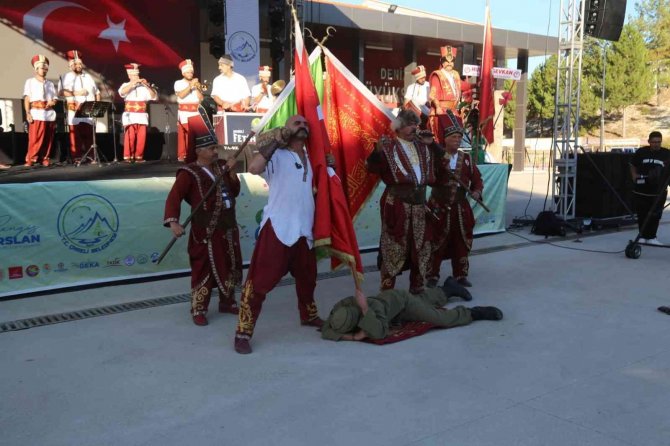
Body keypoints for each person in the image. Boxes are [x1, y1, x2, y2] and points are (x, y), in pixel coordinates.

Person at [234, 115, 325, 354]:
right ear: (286, 128)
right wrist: (277, 138)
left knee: (308, 278)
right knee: (259, 283)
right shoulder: (277, 156)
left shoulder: (313, 158)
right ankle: (243, 331)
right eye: (297, 123)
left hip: (304, 229)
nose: (303, 126)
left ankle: (308, 315)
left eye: (306, 124)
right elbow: (254, 168)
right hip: (278, 227)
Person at [164, 112, 242, 326]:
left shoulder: (221, 167)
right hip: (205, 232)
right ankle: (199, 308)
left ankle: (227, 302)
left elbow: (233, 192)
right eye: (211, 148)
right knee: (203, 268)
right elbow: (174, 197)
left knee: (230, 264)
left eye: (216, 148)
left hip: (227, 228)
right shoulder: (188, 172)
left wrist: (232, 173)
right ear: (198, 151)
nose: (215, 151)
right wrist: (173, 222)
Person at [366, 109, 442, 294]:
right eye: (409, 124)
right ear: (398, 128)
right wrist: (377, 151)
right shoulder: (388, 146)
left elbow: (442, 164)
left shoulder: (423, 146)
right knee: (394, 244)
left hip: (419, 206)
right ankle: (387, 291)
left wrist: (433, 145)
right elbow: (371, 167)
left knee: (421, 245)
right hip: (397, 204)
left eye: (415, 124)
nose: (413, 128)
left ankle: (417, 288)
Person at [321, 278, 502, 342]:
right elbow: (326, 330)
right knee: (424, 300)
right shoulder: (340, 311)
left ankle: (474, 312)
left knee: (439, 318)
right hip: (395, 308)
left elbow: (380, 332)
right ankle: (448, 288)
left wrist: (365, 310)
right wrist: (353, 336)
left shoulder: (373, 309)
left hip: (401, 301)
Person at [426, 110, 483, 288]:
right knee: (435, 241)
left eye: (459, 138)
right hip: (439, 205)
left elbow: (477, 180)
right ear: (445, 139)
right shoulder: (436, 157)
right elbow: (429, 179)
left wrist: (477, 192)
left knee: (461, 242)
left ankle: (460, 275)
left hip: (460, 207)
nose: (457, 140)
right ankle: (432, 275)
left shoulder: (466, 159)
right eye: (453, 138)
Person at [59, 50, 100, 164]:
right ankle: (76, 157)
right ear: (70, 65)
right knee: (75, 137)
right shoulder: (65, 77)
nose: (78, 66)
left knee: (89, 136)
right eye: (76, 64)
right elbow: (61, 92)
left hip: (89, 109)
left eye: (80, 64)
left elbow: (97, 92)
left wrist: (97, 106)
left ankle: (91, 157)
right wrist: (76, 93)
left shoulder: (89, 77)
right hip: (74, 109)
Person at [630, 131, 670, 245]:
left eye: (658, 142)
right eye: (654, 142)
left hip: (658, 191)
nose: (656, 144)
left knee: (655, 214)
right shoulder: (641, 152)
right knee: (642, 213)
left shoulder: (667, 153)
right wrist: (634, 175)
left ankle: (652, 237)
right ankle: (642, 236)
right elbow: (632, 164)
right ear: (649, 142)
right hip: (642, 190)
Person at [118, 63, 157, 163]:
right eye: (134, 75)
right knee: (130, 137)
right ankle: (128, 157)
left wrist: (147, 85)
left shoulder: (144, 87)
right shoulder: (125, 85)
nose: (137, 77)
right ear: (129, 76)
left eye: (137, 75)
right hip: (130, 115)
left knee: (141, 138)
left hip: (142, 116)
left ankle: (139, 157)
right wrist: (133, 83)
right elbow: (122, 92)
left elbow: (153, 96)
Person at [23, 55, 57, 167]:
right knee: (34, 138)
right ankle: (31, 158)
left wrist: (52, 102)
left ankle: (45, 158)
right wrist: (27, 113)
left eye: (46, 68)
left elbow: (55, 98)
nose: (44, 70)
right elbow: (27, 98)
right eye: (42, 68)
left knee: (48, 138)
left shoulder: (50, 84)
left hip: (48, 113)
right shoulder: (30, 81)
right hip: (36, 113)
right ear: (36, 69)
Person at [429, 46, 462, 145]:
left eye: (451, 61)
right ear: (442, 61)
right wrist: (438, 107)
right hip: (442, 111)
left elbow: (462, 84)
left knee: (457, 137)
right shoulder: (437, 75)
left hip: (454, 111)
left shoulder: (455, 74)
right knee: (443, 139)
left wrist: (475, 85)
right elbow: (432, 94)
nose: (449, 63)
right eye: (446, 61)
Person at [173, 59, 204, 163]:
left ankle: (190, 155)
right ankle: (185, 155)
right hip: (185, 111)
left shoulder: (195, 84)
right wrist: (190, 86)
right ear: (183, 73)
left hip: (195, 111)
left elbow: (201, 98)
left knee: (193, 135)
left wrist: (197, 88)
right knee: (188, 134)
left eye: (191, 72)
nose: (190, 74)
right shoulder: (178, 83)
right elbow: (181, 95)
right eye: (188, 72)